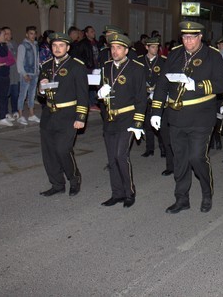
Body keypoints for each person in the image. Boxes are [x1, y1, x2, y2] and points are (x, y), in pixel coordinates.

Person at [150, 21, 223, 214]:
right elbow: (162, 84)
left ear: (200, 37)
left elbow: (222, 84)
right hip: (176, 116)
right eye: (184, 37)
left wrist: (198, 85)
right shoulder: (175, 54)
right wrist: (156, 111)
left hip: (201, 117)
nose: (188, 41)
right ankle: (182, 198)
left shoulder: (212, 55)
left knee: (197, 157)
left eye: (192, 37)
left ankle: (206, 192)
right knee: (180, 159)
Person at [97, 33, 147, 208]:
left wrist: (138, 123)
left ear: (126, 50)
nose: (115, 51)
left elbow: (142, 98)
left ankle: (129, 192)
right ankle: (116, 193)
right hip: (110, 118)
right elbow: (102, 90)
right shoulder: (107, 66)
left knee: (120, 155)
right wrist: (100, 94)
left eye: (119, 48)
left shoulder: (136, 68)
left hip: (128, 117)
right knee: (112, 158)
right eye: (112, 48)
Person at [37, 32, 89, 197]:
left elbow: (83, 94)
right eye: (54, 45)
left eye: (61, 45)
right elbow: (41, 95)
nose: (57, 48)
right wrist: (41, 88)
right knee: (49, 153)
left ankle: (74, 179)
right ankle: (57, 184)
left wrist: (81, 117)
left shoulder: (76, 66)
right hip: (49, 114)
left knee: (62, 149)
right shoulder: (46, 65)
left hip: (68, 114)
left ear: (67, 47)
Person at [139, 37, 167, 158]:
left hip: (157, 95)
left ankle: (163, 148)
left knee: (159, 123)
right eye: (153, 47)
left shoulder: (163, 61)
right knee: (146, 124)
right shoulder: (140, 61)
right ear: (147, 47)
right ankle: (149, 148)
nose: (155, 49)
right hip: (144, 95)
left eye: (157, 47)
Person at [16, 26, 40, 124]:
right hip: (26, 73)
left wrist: (38, 71)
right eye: (31, 33)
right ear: (27, 34)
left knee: (32, 95)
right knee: (23, 94)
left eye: (34, 33)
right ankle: (20, 115)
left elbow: (37, 59)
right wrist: (24, 74)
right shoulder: (23, 46)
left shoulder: (35, 45)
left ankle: (31, 114)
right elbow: (19, 61)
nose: (33, 35)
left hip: (34, 73)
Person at [3, 27, 20, 121]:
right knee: (6, 93)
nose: (8, 35)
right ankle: (5, 111)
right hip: (7, 73)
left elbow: (18, 55)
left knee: (15, 93)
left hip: (15, 73)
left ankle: (15, 110)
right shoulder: (1, 45)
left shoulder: (14, 43)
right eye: (6, 33)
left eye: (9, 33)